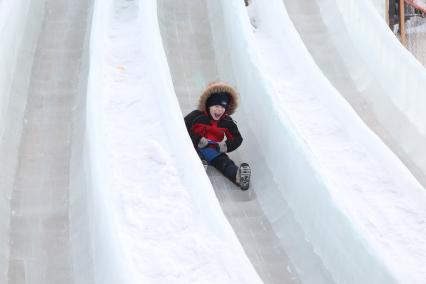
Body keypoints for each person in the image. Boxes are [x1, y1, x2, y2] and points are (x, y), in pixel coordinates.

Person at [184, 82, 251, 190]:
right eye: (216, 106)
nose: (219, 110)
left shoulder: (227, 121)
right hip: (197, 148)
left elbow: (237, 138)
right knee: (196, 156)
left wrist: (224, 145)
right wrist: (197, 139)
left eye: (222, 107)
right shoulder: (196, 116)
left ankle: (238, 177)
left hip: (215, 151)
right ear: (208, 106)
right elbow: (182, 128)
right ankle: (198, 168)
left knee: (226, 164)